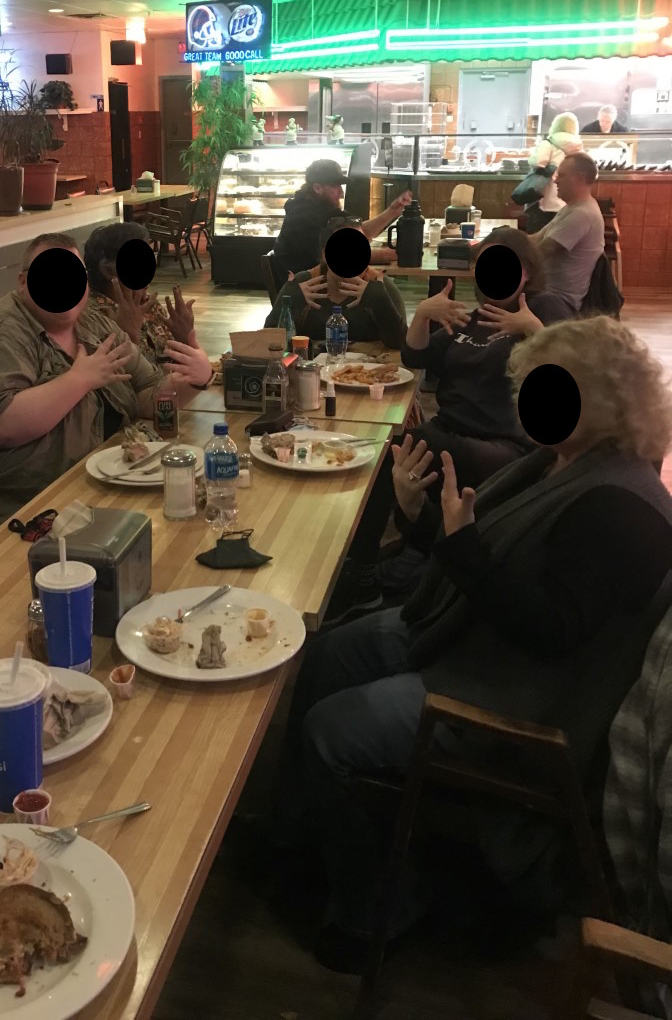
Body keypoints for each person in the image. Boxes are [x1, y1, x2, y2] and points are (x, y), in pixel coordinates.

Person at [284, 315, 672, 971]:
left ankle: (378, 908)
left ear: (609, 404)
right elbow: (483, 564)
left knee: (330, 730)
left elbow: (551, 632)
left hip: (517, 695)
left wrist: (459, 544)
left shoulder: (621, 508)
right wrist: (419, 519)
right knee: (326, 653)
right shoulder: (560, 462)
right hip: (469, 634)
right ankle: (302, 829)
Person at [0, 232, 212, 542]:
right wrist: (79, 380)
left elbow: (148, 395)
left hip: (98, 490)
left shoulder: (94, 324)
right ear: (22, 282)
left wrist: (194, 379)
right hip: (18, 519)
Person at [341, 227, 573, 607]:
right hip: (449, 429)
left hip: (506, 443)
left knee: (404, 448)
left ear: (527, 271)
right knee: (393, 449)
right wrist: (422, 316)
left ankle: (376, 570)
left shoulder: (544, 307)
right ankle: (399, 559)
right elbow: (415, 357)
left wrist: (532, 331)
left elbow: (573, 369)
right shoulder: (476, 316)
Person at [265, 215, 406, 348]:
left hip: (370, 364)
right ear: (325, 254)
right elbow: (269, 342)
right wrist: (290, 302)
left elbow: (401, 345)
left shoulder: (380, 286)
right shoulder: (303, 285)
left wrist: (381, 303)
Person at [83, 222, 205, 368]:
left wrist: (185, 338)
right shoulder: (93, 318)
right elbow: (113, 379)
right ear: (108, 271)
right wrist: (128, 338)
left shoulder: (148, 304)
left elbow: (178, 368)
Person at [271, 159, 410, 277]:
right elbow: (343, 255)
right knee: (379, 287)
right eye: (335, 186)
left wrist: (392, 211)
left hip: (317, 279)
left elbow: (359, 231)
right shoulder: (307, 216)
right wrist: (387, 254)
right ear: (317, 188)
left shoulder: (316, 207)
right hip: (308, 288)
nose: (341, 192)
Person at [535, 152, 605, 312]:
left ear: (579, 178)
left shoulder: (582, 215)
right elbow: (536, 238)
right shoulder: (571, 208)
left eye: (561, 175)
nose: (555, 180)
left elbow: (539, 253)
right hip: (544, 292)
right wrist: (503, 240)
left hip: (555, 301)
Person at [520, 112, 583, 234]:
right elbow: (587, 168)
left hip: (546, 201)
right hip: (567, 203)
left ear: (556, 125)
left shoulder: (549, 142)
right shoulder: (578, 146)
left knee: (539, 237)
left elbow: (537, 162)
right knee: (560, 237)